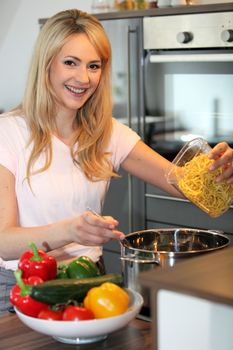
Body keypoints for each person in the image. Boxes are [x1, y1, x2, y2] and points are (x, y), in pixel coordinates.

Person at [0, 9, 233, 315]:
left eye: (93, 66)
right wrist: (70, 230)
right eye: (70, 62)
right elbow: (4, 241)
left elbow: (183, 184)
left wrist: (219, 172)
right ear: (47, 65)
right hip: (23, 288)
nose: (83, 78)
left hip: (90, 281)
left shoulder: (108, 133)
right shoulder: (9, 132)